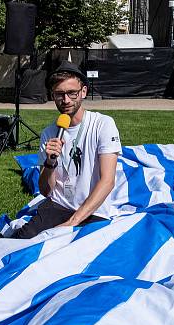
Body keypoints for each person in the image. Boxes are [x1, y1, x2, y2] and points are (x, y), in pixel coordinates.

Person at [13, 62, 121, 239]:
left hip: (93, 211)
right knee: (20, 246)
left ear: (83, 92)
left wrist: (73, 221)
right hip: (57, 206)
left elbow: (108, 181)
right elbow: (46, 191)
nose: (66, 100)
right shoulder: (49, 133)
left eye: (72, 93)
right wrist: (50, 163)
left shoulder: (102, 124)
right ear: (52, 96)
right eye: (59, 94)